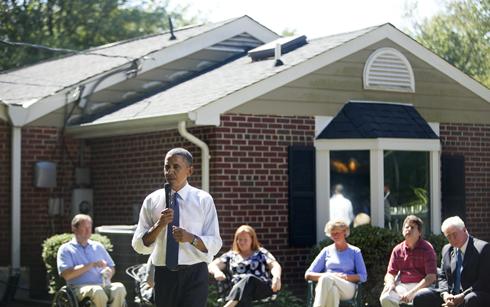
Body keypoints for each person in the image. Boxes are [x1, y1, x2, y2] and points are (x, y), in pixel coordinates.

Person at [132, 147, 222, 307]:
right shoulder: (152, 201)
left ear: (189, 171)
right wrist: (159, 225)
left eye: (176, 167)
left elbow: (215, 243)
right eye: (167, 167)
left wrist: (191, 238)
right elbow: (139, 245)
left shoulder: (203, 200)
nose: (170, 171)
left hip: (195, 272)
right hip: (164, 274)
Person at [413, 216, 490, 307]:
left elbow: (484, 281)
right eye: (448, 236)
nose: (452, 239)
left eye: (454, 234)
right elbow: (442, 276)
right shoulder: (446, 249)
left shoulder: (483, 248)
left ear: (464, 230)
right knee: (421, 296)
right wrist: (445, 294)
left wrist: (462, 296)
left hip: (472, 294)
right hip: (450, 295)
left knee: (470, 299)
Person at [57, 214, 127, 307]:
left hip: (102, 285)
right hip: (79, 287)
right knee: (97, 291)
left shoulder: (98, 246)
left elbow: (111, 266)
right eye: (84, 227)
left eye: (89, 227)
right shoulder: (66, 249)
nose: (88, 230)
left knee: (119, 287)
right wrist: (91, 265)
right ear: (74, 228)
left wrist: (109, 272)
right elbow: (67, 275)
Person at [208, 225, 282, 307]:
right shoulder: (231, 255)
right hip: (236, 290)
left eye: (245, 240)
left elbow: (275, 265)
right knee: (244, 295)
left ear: (252, 240)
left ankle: (230, 304)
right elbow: (212, 265)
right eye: (240, 240)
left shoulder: (261, 253)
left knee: (249, 278)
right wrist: (217, 272)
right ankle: (234, 302)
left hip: (260, 290)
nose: (242, 242)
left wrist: (276, 277)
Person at [305, 219, 367, 307]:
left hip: (348, 287)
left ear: (344, 232)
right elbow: (308, 275)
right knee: (332, 290)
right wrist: (331, 276)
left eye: (337, 233)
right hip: (328, 285)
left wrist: (344, 277)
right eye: (332, 233)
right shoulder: (326, 251)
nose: (335, 236)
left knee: (326, 278)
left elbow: (363, 276)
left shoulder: (355, 251)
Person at [379, 215, 437, 307]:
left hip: (421, 287)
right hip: (402, 286)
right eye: (406, 227)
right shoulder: (397, 249)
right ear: (402, 230)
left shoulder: (427, 249)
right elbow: (390, 273)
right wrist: (390, 283)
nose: (408, 229)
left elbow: (431, 277)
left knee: (420, 297)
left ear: (419, 232)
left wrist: (412, 293)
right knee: (385, 298)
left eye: (412, 227)